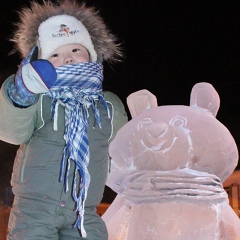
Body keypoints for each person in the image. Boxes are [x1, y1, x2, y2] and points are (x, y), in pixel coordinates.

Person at [0, 0, 128, 239]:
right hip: (34, 210)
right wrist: (21, 93)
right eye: (55, 54)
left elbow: (124, 150)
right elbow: (10, 131)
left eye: (75, 50)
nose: (67, 58)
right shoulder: (38, 98)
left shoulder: (108, 104)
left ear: (91, 54)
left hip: (85, 211)